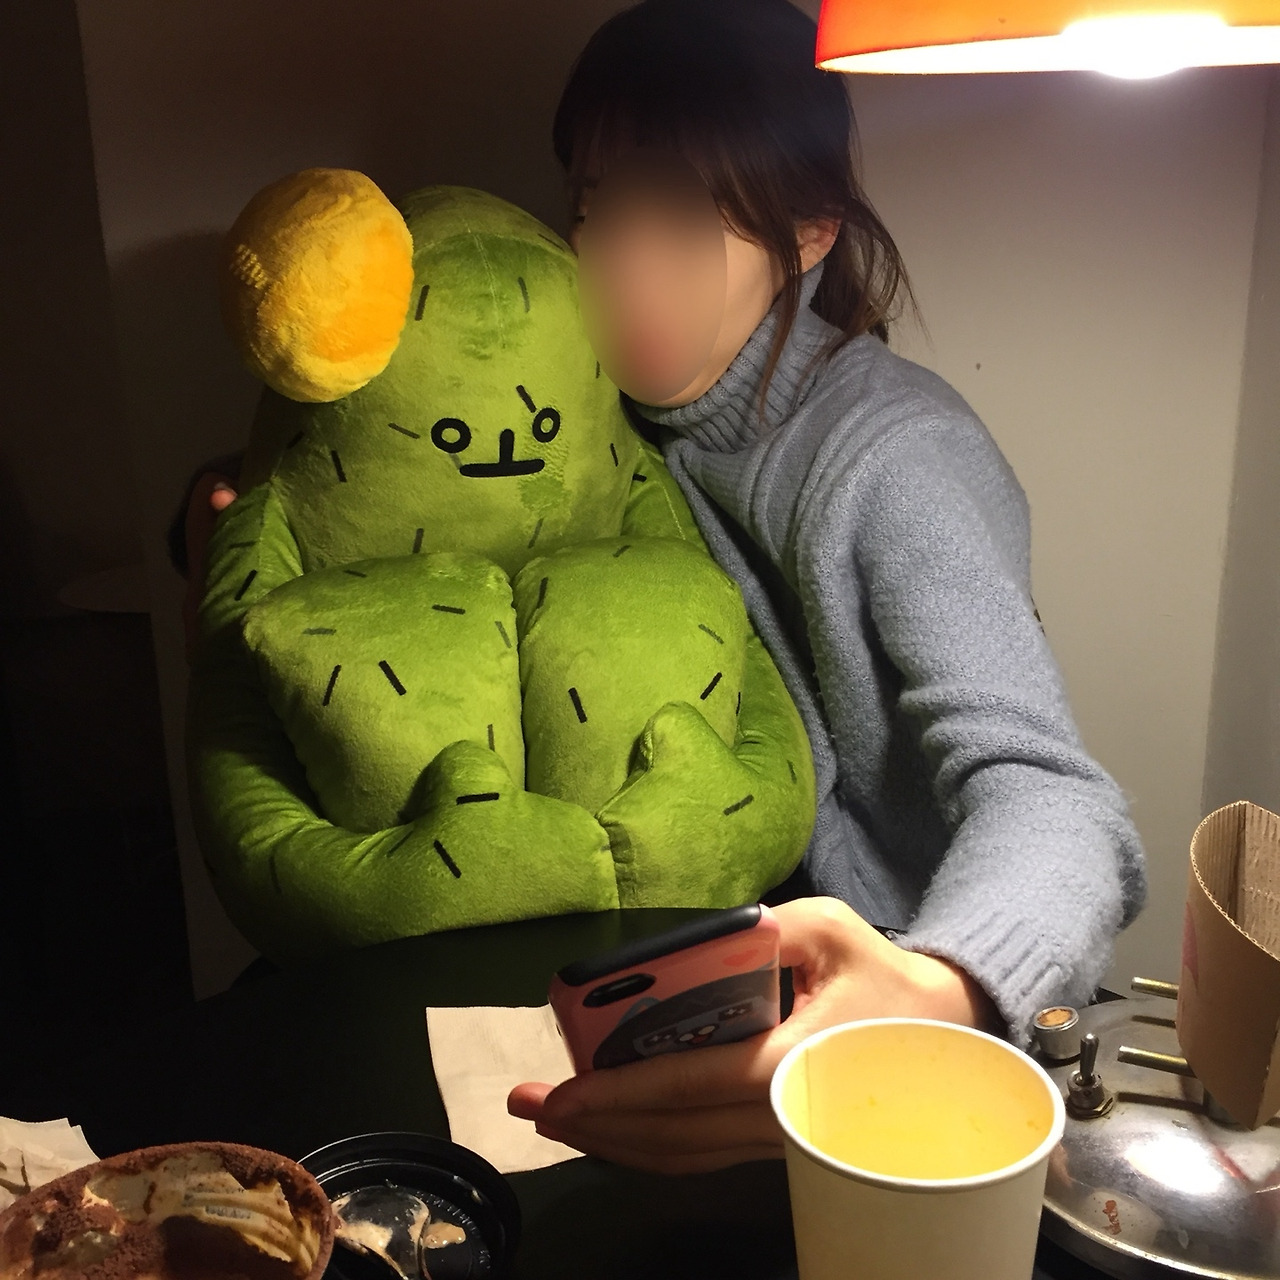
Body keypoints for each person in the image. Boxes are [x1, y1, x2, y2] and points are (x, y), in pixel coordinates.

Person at [181, 0, 1145, 1176]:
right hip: (686, 965)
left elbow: (1057, 800)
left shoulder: (894, 458)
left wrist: (937, 986)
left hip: (893, 1004)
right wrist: (214, 510)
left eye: (681, 212)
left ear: (808, 229)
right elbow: (406, 472)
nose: (622, 264)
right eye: (594, 205)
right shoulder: (611, 418)